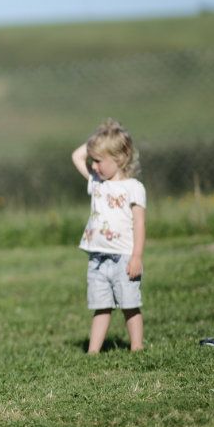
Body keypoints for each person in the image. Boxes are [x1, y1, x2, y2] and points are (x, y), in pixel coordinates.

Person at [71, 119, 146, 353]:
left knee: (130, 305)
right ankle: (93, 352)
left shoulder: (134, 187)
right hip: (97, 259)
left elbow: (139, 224)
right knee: (101, 306)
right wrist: (101, 138)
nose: (94, 166)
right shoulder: (97, 183)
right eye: (93, 159)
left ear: (120, 158)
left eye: (99, 160)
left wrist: (136, 257)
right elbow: (76, 156)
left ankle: (137, 347)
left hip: (123, 259)